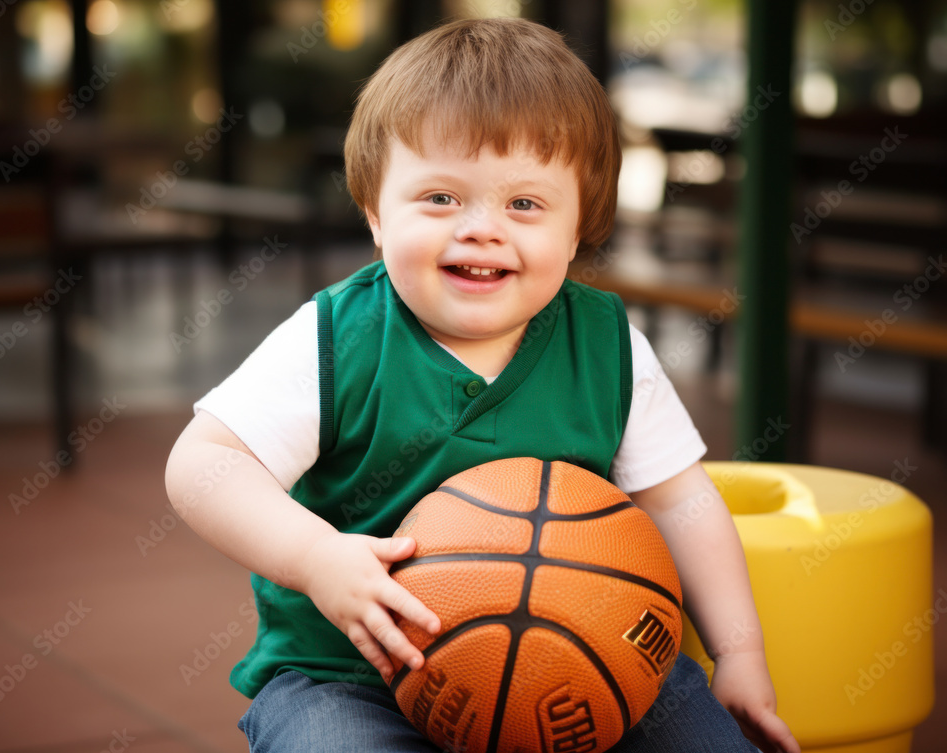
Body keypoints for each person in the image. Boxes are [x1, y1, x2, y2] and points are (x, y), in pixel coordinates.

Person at [165, 16, 800, 753]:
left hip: (583, 659)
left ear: (579, 229)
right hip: (351, 673)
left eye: (524, 204)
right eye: (439, 197)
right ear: (375, 213)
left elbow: (682, 499)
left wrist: (740, 653)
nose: (480, 229)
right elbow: (202, 465)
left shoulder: (606, 345)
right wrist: (318, 557)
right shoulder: (336, 339)